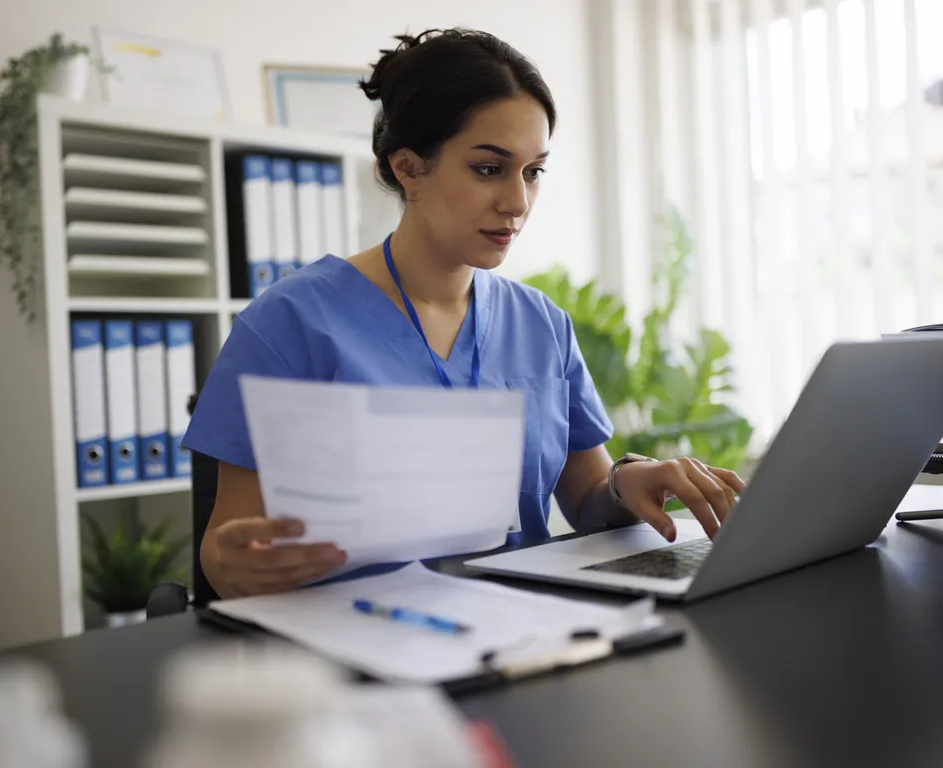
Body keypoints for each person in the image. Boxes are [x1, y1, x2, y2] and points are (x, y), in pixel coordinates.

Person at [183, 28, 745, 600]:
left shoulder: (542, 325)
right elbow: (226, 551)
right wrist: (237, 565)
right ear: (409, 169)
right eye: (488, 168)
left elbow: (587, 498)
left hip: (527, 635)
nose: (518, 202)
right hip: (360, 646)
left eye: (533, 172)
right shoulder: (289, 323)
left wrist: (629, 483)